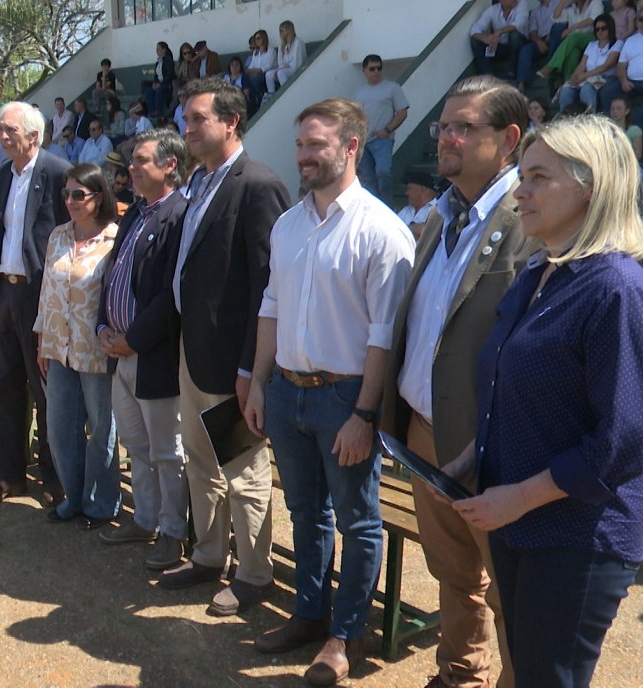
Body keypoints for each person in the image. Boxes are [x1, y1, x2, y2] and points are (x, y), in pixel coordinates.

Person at [448, 113, 643, 688]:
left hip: (577, 534)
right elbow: (511, 383)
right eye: (520, 176)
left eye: (537, 177)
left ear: (591, 185)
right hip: (519, 518)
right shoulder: (540, 272)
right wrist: (471, 455)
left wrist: (520, 498)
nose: (519, 191)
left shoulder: (616, 289)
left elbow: (623, 440)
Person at [245, 98, 413, 687]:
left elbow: (382, 338)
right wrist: (261, 382)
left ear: (350, 148)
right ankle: (310, 614)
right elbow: (271, 307)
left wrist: (364, 414)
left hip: (345, 399)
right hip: (288, 393)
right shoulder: (289, 226)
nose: (303, 156)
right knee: (305, 512)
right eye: (299, 145)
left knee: (358, 521)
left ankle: (346, 635)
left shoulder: (382, 230)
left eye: (315, 145)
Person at [380, 75, 534, 688]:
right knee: (451, 570)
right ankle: (460, 672)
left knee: (510, 590)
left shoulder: (529, 218)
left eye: (465, 127)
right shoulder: (437, 216)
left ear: (508, 139)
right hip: (424, 432)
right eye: (445, 124)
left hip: (494, 446)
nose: (446, 136)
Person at [159, 78, 291, 619]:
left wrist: (249, 368)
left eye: (198, 119)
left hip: (232, 363)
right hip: (194, 351)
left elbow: (268, 285)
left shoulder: (257, 185)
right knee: (200, 461)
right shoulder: (199, 180)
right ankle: (209, 556)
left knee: (243, 470)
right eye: (185, 120)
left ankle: (255, 574)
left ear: (231, 121)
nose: (188, 129)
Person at [96, 128, 189, 570]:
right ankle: (146, 518)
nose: (131, 168)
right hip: (119, 354)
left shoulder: (178, 214)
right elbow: (113, 275)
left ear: (170, 165)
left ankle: (173, 532)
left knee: (167, 452)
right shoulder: (134, 213)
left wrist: (132, 340)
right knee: (135, 444)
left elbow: (170, 297)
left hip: (152, 357)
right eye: (132, 161)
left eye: (142, 161)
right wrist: (102, 325)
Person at [0, 101, 72, 507]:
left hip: (39, 297)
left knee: (45, 389)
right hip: (4, 293)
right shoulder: (1, 177)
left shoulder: (57, 173)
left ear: (34, 135)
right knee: (4, 387)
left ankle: (55, 478)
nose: (3, 135)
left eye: (10, 129)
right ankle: (11, 476)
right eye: (0, 129)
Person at [35, 163, 120, 529]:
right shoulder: (58, 235)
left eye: (78, 194)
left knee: (102, 429)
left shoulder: (115, 238)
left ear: (98, 197)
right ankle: (73, 496)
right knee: (59, 426)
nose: (69, 201)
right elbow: (46, 291)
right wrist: (42, 339)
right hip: (57, 347)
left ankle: (101, 504)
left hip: (95, 350)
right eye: (66, 194)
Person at [354, 54, 409, 202]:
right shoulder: (359, 92)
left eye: (379, 68)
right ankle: (377, 209)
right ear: (364, 70)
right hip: (363, 140)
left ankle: (388, 205)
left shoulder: (392, 88)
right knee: (368, 178)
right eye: (372, 69)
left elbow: (402, 112)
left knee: (383, 171)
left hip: (382, 139)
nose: (376, 71)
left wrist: (387, 130)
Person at [557, 13, 621, 113]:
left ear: (610, 28)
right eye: (597, 29)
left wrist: (584, 76)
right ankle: (564, 122)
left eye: (603, 28)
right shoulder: (591, 45)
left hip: (605, 78)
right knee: (566, 91)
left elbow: (607, 65)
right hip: (587, 78)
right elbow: (582, 64)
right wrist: (574, 76)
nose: (600, 31)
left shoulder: (617, 43)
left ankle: (590, 121)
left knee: (586, 89)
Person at [539, 0, 605, 82]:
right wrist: (562, 3)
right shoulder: (572, 8)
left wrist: (572, 27)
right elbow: (555, 18)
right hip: (574, 41)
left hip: (591, 38)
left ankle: (550, 66)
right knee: (573, 54)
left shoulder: (595, 3)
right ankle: (568, 83)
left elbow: (594, 19)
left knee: (573, 36)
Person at [600, 13, 643, 121]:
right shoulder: (631, 40)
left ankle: (634, 130)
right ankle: (613, 126)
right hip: (630, 81)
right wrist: (623, 80)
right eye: (641, 19)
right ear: (637, 22)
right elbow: (621, 65)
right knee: (606, 92)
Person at [470, 0, 528, 78]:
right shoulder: (492, 10)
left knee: (514, 36)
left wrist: (499, 32)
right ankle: (488, 75)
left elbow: (520, 23)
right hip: (501, 47)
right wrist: (486, 38)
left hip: (520, 45)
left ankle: (514, 71)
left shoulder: (521, 3)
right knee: (476, 41)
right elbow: (474, 29)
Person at [516, 0, 556, 92]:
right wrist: (539, 42)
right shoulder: (535, 11)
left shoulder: (559, 3)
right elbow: (532, 32)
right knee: (525, 50)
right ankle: (522, 83)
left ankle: (550, 66)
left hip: (558, 39)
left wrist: (552, 34)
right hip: (542, 41)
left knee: (557, 30)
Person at [265, 21, 305, 95]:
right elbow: (280, 62)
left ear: (288, 30)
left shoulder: (298, 42)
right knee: (268, 74)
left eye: (282, 30)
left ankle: (286, 94)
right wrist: (283, 66)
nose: (280, 32)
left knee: (281, 73)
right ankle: (271, 95)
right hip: (285, 68)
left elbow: (298, 63)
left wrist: (285, 66)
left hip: (296, 68)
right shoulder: (282, 44)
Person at [396, 170, 437, 238]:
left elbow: (433, 231)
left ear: (423, 189)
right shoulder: (405, 211)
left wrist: (403, 229)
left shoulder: (438, 208)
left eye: (409, 189)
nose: (406, 193)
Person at [144, 42, 175, 116]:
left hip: (167, 83)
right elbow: (156, 75)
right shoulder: (158, 62)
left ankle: (158, 111)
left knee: (159, 90)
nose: (157, 51)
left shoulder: (168, 60)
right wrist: (155, 83)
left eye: (158, 49)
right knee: (148, 91)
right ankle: (151, 111)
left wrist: (160, 84)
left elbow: (170, 75)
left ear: (164, 50)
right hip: (159, 83)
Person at [245, 29, 276, 101]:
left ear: (264, 38)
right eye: (255, 39)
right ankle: (252, 100)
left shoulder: (271, 51)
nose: (257, 41)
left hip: (267, 73)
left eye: (259, 38)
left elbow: (268, 67)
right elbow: (251, 66)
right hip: (256, 73)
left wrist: (256, 70)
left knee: (254, 79)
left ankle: (260, 98)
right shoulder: (255, 52)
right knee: (244, 78)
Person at [609, 95, 643, 161]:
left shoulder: (634, 130)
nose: (614, 111)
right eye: (612, 108)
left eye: (618, 108)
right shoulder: (606, 129)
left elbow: (638, 155)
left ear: (627, 111)